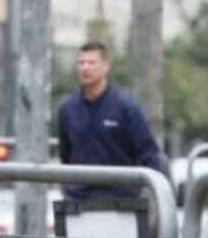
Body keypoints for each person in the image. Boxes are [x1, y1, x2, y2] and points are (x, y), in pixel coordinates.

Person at [57, 41, 165, 199]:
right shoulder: (67, 109)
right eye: (81, 63)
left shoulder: (126, 108)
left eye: (91, 62)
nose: (85, 68)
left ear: (106, 66)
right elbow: (65, 155)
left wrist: (155, 195)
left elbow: (149, 154)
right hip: (78, 201)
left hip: (120, 201)